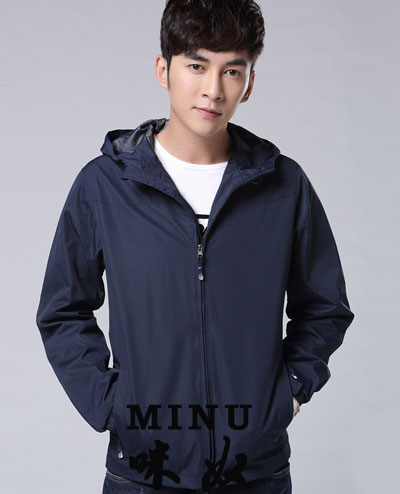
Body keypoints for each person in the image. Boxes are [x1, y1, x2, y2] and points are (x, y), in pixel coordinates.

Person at [35, 1, 355, 493]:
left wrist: (286, 396)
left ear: (249, 83)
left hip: (255, 473)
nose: (213, 89)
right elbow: (62, 310)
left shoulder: (284, 185)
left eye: (232, 71)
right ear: (163, 70)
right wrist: (112, 406)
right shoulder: (104, 186)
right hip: (144, 473)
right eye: (197, 66)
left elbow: (326, 307)